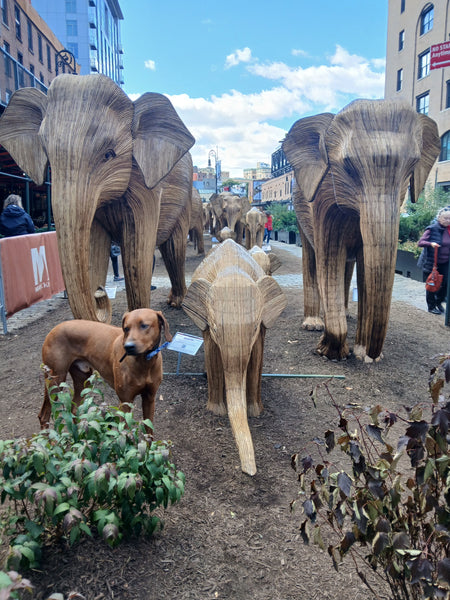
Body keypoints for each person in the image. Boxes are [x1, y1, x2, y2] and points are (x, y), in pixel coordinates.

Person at [418, 205, 450, 314]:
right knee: (432, 284)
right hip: (432, 262)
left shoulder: (448, 230)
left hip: (445, 263)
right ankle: (431, 307)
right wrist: (430, 243)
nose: (448, 220)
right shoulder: (431, 229)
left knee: (445, 284)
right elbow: (420, 242)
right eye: (445, 218)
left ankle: (438, 302)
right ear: (439, 218)